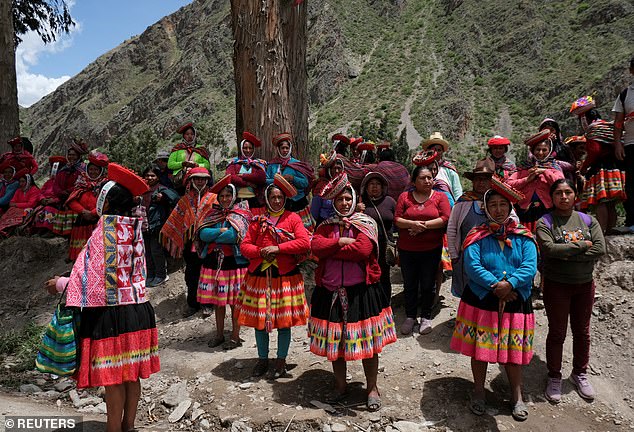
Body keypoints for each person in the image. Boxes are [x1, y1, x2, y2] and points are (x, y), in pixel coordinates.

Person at [45, 163, 159, 432]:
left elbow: (92, 280)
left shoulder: (104, 230)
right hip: (138, 308)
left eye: (102, 197)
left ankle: (112, 429)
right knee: (131, 374)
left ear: (107, 203)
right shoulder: (134, 227)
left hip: (112, 313)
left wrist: (60, 283)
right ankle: (128, 425)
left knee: (114, 376)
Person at [450, 176, 537, 422]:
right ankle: (478, 391)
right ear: (486, 208)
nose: (498, 209)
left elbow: (530, 266)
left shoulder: (523, 235)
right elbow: (472, 265)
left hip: (515, 299)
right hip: (482, 299)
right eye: (494, 205)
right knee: (480, 350)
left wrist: (509, 284)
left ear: (510, 208)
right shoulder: (477, 235)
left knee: (512, 351)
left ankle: (516, 395)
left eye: (503, 205)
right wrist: (495, 285)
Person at [309, 172, 397, 411]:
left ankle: (372, 388)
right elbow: (316, 247)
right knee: (336, 345)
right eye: (340, 200)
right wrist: (339, 243)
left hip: (361, 292)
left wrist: (332, 249)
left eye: (348, 199)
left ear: (354, 199)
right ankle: (340, 386)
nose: (345, 203)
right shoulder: (326, 226)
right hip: (331, 292)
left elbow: (362, 250)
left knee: (369, 345)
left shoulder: (366, 223)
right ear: (334, 203)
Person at [536, 179, 606, 403]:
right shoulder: (545, 221)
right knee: (557, 332)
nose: (563, 197)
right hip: (557, 285)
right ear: (552, 197)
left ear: (575, 195)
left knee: (582, 332)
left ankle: (579, 373)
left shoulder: (588, 220)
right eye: (558, 193)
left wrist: (565, 253)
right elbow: (548, 249)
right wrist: (582, 245)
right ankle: (554, 376)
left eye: (568, 192)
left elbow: (600, 248)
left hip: (585, 285)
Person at [237, 174, 310, 379]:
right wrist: (261, 252)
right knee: (261, 320)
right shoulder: (258, 220)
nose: (277, 200)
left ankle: (281, 360)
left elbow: (304, 243)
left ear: (284, 199)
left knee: (284, 322)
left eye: (280, 197)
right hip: (260, 276)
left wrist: (277, 248)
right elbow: (244, 245)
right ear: (267, 199)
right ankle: (262, 359)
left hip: (285, 276)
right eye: (273, 197)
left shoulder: (293, 218)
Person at [395, 161, 451, 335]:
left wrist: (423, 226)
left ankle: (426, 316)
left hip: (431, 249)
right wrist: (412, 223)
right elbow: (397, 219)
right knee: (410, 283)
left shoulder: (440, 197)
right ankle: (410, 316)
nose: (427, 181)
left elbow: (445, 218)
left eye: (430, 177)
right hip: (407, 249)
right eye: (423, 178)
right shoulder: (405, 197)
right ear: (414, 181)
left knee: (428, 284)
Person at [196, 175, 251, 348]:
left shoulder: (241, 214)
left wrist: (216, 234)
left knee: (235, 302)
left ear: (234, 197)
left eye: (228, 196)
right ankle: (219, 334)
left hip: (233, 263)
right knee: (218, 303)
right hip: (214, 263)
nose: (225, 199)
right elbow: (202, 234)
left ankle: (235, 336)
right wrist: (221, 231)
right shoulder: (213, 213)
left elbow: (234, 236)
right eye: (222, 196)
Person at [161, 167, 216, 317]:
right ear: (191, 181)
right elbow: (176, 219)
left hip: (209, 244)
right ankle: (192, 304)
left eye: (203, 178)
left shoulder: (214, 198)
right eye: (197, 178)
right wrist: (170, 233)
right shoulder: (185, 200)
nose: (200, 181)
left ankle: (207, 304)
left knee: (208, 274)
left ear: (207, 180)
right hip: (189, 244)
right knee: (191, 274)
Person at [571, 98, 627, 233]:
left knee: (601, 200)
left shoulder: (593, 129)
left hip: (601, 169)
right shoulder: (608, 126)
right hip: (615, 167)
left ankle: (602, 231)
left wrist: (584, 167)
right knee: (611, 202)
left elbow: (595, 151)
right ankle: (611, 229)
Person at [447, 158, 496, 298]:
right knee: (467, 290)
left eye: (485, 179)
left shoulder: (499, 201)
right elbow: (452, 228)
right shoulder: (463, 202)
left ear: (491, 182)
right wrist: (454, 254)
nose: (481, 183)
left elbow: (513, 222)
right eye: (478, 179)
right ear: (473, 181)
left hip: (492, 254)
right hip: (466, 255)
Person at [506, 130, 565, 232]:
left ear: (549, 150)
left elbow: (560, 184)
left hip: (548, 210)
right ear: (533, 151)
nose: (540, 153)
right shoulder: (523, 168)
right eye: (537, 150)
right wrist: (527, 180)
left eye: (544, 150)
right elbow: (508, 185)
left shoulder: (554, 167)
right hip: (525, 212)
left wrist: (545, 172)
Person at [266, 133, 315, 232]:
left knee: (302, 231)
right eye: (282, 148)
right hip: (279, 203)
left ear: (290, 149)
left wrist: (292, 178)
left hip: (298, 203)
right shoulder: (272, 165)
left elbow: (304, 183)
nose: (284, 150)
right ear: (278, 149)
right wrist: (279, 180)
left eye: (286, 148)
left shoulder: (296, 164)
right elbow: (266, 180)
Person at [66, 151, 109, 260]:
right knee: (80, 251)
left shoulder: (105, 185)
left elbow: (107, 202)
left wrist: (93, 212)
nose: (93, 172)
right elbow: (72, 200)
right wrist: (83, 211)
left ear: (101, 171)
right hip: (82, 221)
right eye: (91, 169)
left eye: (96, 170)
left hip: (98, 221)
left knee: (97, 249)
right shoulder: (81, 183)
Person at [359, 171, 396, 299]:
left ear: (383, 187)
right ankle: (370, 304)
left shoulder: (390, 202)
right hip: (367, 246)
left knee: (384, 275)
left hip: (385, 246)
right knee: (367, 273)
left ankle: (385, 304)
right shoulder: (360, 203)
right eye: (371, 184)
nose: (374, 186)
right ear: (366, 187)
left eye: (377, 184)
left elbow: (397, 221)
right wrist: (357, 210)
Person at [141, 166, 179, 287]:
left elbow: (175, 198)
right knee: (146, 251)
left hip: (157, 226)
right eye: (147, 175)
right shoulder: (141, 189)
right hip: (143, 226)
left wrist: (163, 197)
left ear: (158, 177)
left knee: (156, 250)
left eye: (153, 175)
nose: (150, 178)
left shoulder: (162, 189)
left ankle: (161, 275)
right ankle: (150, 274)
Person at [613, 58, 634, 231]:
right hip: (631, 144)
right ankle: (632, 221)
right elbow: (618, 122)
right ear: (631, 71)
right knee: (632, 184)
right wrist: (618, 144)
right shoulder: (625, 94)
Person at [225, 131, 267, 210]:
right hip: (237, 199)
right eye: (245, 148)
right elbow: (230, 177)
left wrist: (243, 176)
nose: (247, 150)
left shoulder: (258, 163)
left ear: (253, 149)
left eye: (250, 148)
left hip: (255, 199)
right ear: (241, 148)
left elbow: (261, 178)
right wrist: (248, 183)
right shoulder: (234, 163)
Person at [168, 122, 211, 193]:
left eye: (192, 134)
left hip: (198, 179)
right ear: (183, 136)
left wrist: (196, 165)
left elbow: (207, 166)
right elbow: (170, 164)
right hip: (180, 180)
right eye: (187, 134)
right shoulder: (177, 148)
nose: (190, 136)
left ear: (195, 136)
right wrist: (182, 164)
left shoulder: (201, 149)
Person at [421, 132, 463, 199]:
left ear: (442, 152)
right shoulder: (421, 168)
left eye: (439, 150)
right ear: (428, 151)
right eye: (433, 150)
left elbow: (457, 190)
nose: (436, 153)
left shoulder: (449, 169)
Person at [0, 170, 41, 236]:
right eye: (20, 182)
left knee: (22, 212)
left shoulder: (34, 190)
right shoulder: (19, 190)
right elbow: (11, 202)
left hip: (29, 209)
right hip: (18, 208)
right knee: (10, 210)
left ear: (29, 182)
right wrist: (16, 205)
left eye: (23, 181)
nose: (21, 184)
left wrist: (16, 205)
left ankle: (10, 230)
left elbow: (31, 204)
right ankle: (4, 229)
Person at [311, 152, 345, 226]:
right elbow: (314, 211)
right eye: (334, 168)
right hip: (324, 224)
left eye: (339, 168)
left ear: (342, 169)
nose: (336, 171)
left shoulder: (346, 185)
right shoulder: (321, 186)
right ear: (330, 170)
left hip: (342, 223)